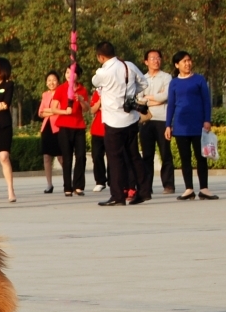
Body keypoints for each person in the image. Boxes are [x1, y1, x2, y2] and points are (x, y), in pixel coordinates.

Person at [92, 41, 149, 206]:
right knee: (134, 156)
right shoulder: (128, 66)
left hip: (113, 121)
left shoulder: (103, 72)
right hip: (130, 118)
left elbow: (95, 82)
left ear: (101, 57)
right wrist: (130, 93)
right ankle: (144, 191)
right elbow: (144, 83)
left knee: (115, 159)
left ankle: (118, 196)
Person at [165, 51, 216, 200]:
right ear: (177, 65)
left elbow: (206, 101)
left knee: (201, 157)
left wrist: (207, 119)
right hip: (181, 125)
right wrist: (168, 125)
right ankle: (189, 189)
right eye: (184, 61)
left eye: (189, 60)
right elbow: (171, 105)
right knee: (185, 157)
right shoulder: (174, 83)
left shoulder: (199, 79)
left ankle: (204, 188)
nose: (187, 63)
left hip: (198, 124)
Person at [49, 64, 89, 196]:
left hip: (79, 126)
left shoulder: (82, 90)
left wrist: (82, 101)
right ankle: (67, 186)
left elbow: (87, 109)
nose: (69, 76)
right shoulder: (61, 89)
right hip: (65, 126)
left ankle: (79, 185)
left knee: (81, 156)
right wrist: (65, 112)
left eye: (73, 73)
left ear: (78, 75)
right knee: (67, 157)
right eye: (67, 73)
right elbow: (53, 108)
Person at [139, 49, 175, 194]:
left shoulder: (166, 77)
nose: (156, 60)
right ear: (146, 62)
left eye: (158, 58)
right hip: (146, 120)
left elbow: (166, 96)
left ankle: (168, 185)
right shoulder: (142, 78)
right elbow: (138, 98)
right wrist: (155, 99)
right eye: (153, 58)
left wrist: (148, 99)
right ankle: (147, 186)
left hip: (162, 119)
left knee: (165, 153)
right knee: (147, 155)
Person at [0, 58, 17, 203]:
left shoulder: (8, 84)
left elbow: (5, 105)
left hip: (4, 124)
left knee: (4, 157)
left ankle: (10, 190)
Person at [37, 71, 63, 194]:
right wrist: (52, 111)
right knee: (46, 156)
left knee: (60, 157)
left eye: (54, 80)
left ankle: (68, 180)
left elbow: (61, 111)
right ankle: (49, 184)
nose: (51, 82)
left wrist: (50, 111)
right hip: (46, 127)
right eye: (49, 80)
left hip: (57, 127)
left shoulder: (62, 93)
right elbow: (40, 113)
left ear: (58, 81)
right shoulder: (45, 95)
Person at [90, 90, 108, 192]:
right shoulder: (98, 92)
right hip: (98, 129)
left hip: (111, 128)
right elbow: (92, 110)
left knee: (112, 157)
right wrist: (100, 101)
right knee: (96, 155)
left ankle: (113, 180)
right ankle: (100, 181)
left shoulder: (115, 89)